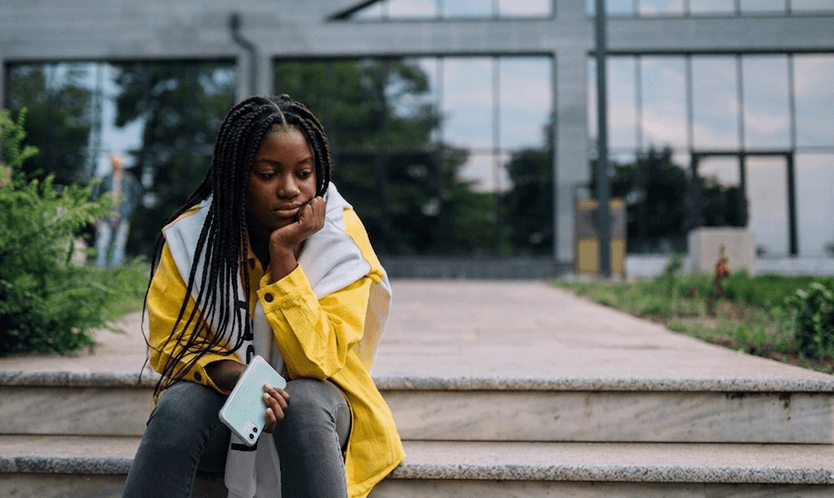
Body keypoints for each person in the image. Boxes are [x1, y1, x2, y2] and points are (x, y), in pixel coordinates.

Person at [122, 95, 404, 498]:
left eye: (304, 173)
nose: (290, 189)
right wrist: (240, 380)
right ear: (237, 176)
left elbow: (317, 361)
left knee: (302, 403)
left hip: (320, 424)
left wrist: (284, 255)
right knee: (179, 406)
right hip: (229, 417)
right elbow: (171, 345)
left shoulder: (341, 238)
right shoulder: (192, 238)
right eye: (268, 174)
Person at [93, 151, 142, 267]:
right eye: (115, 161)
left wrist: (130, 210)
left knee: (119, 243)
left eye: (119, 161)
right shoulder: (105, 178)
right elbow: (95, 196)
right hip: (106, 215)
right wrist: (96, 214)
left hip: (123, 215)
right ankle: (100, 267)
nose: (117, 164)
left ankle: (115, 268)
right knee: (102, 242)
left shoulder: (129, 179)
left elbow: (137, 194)